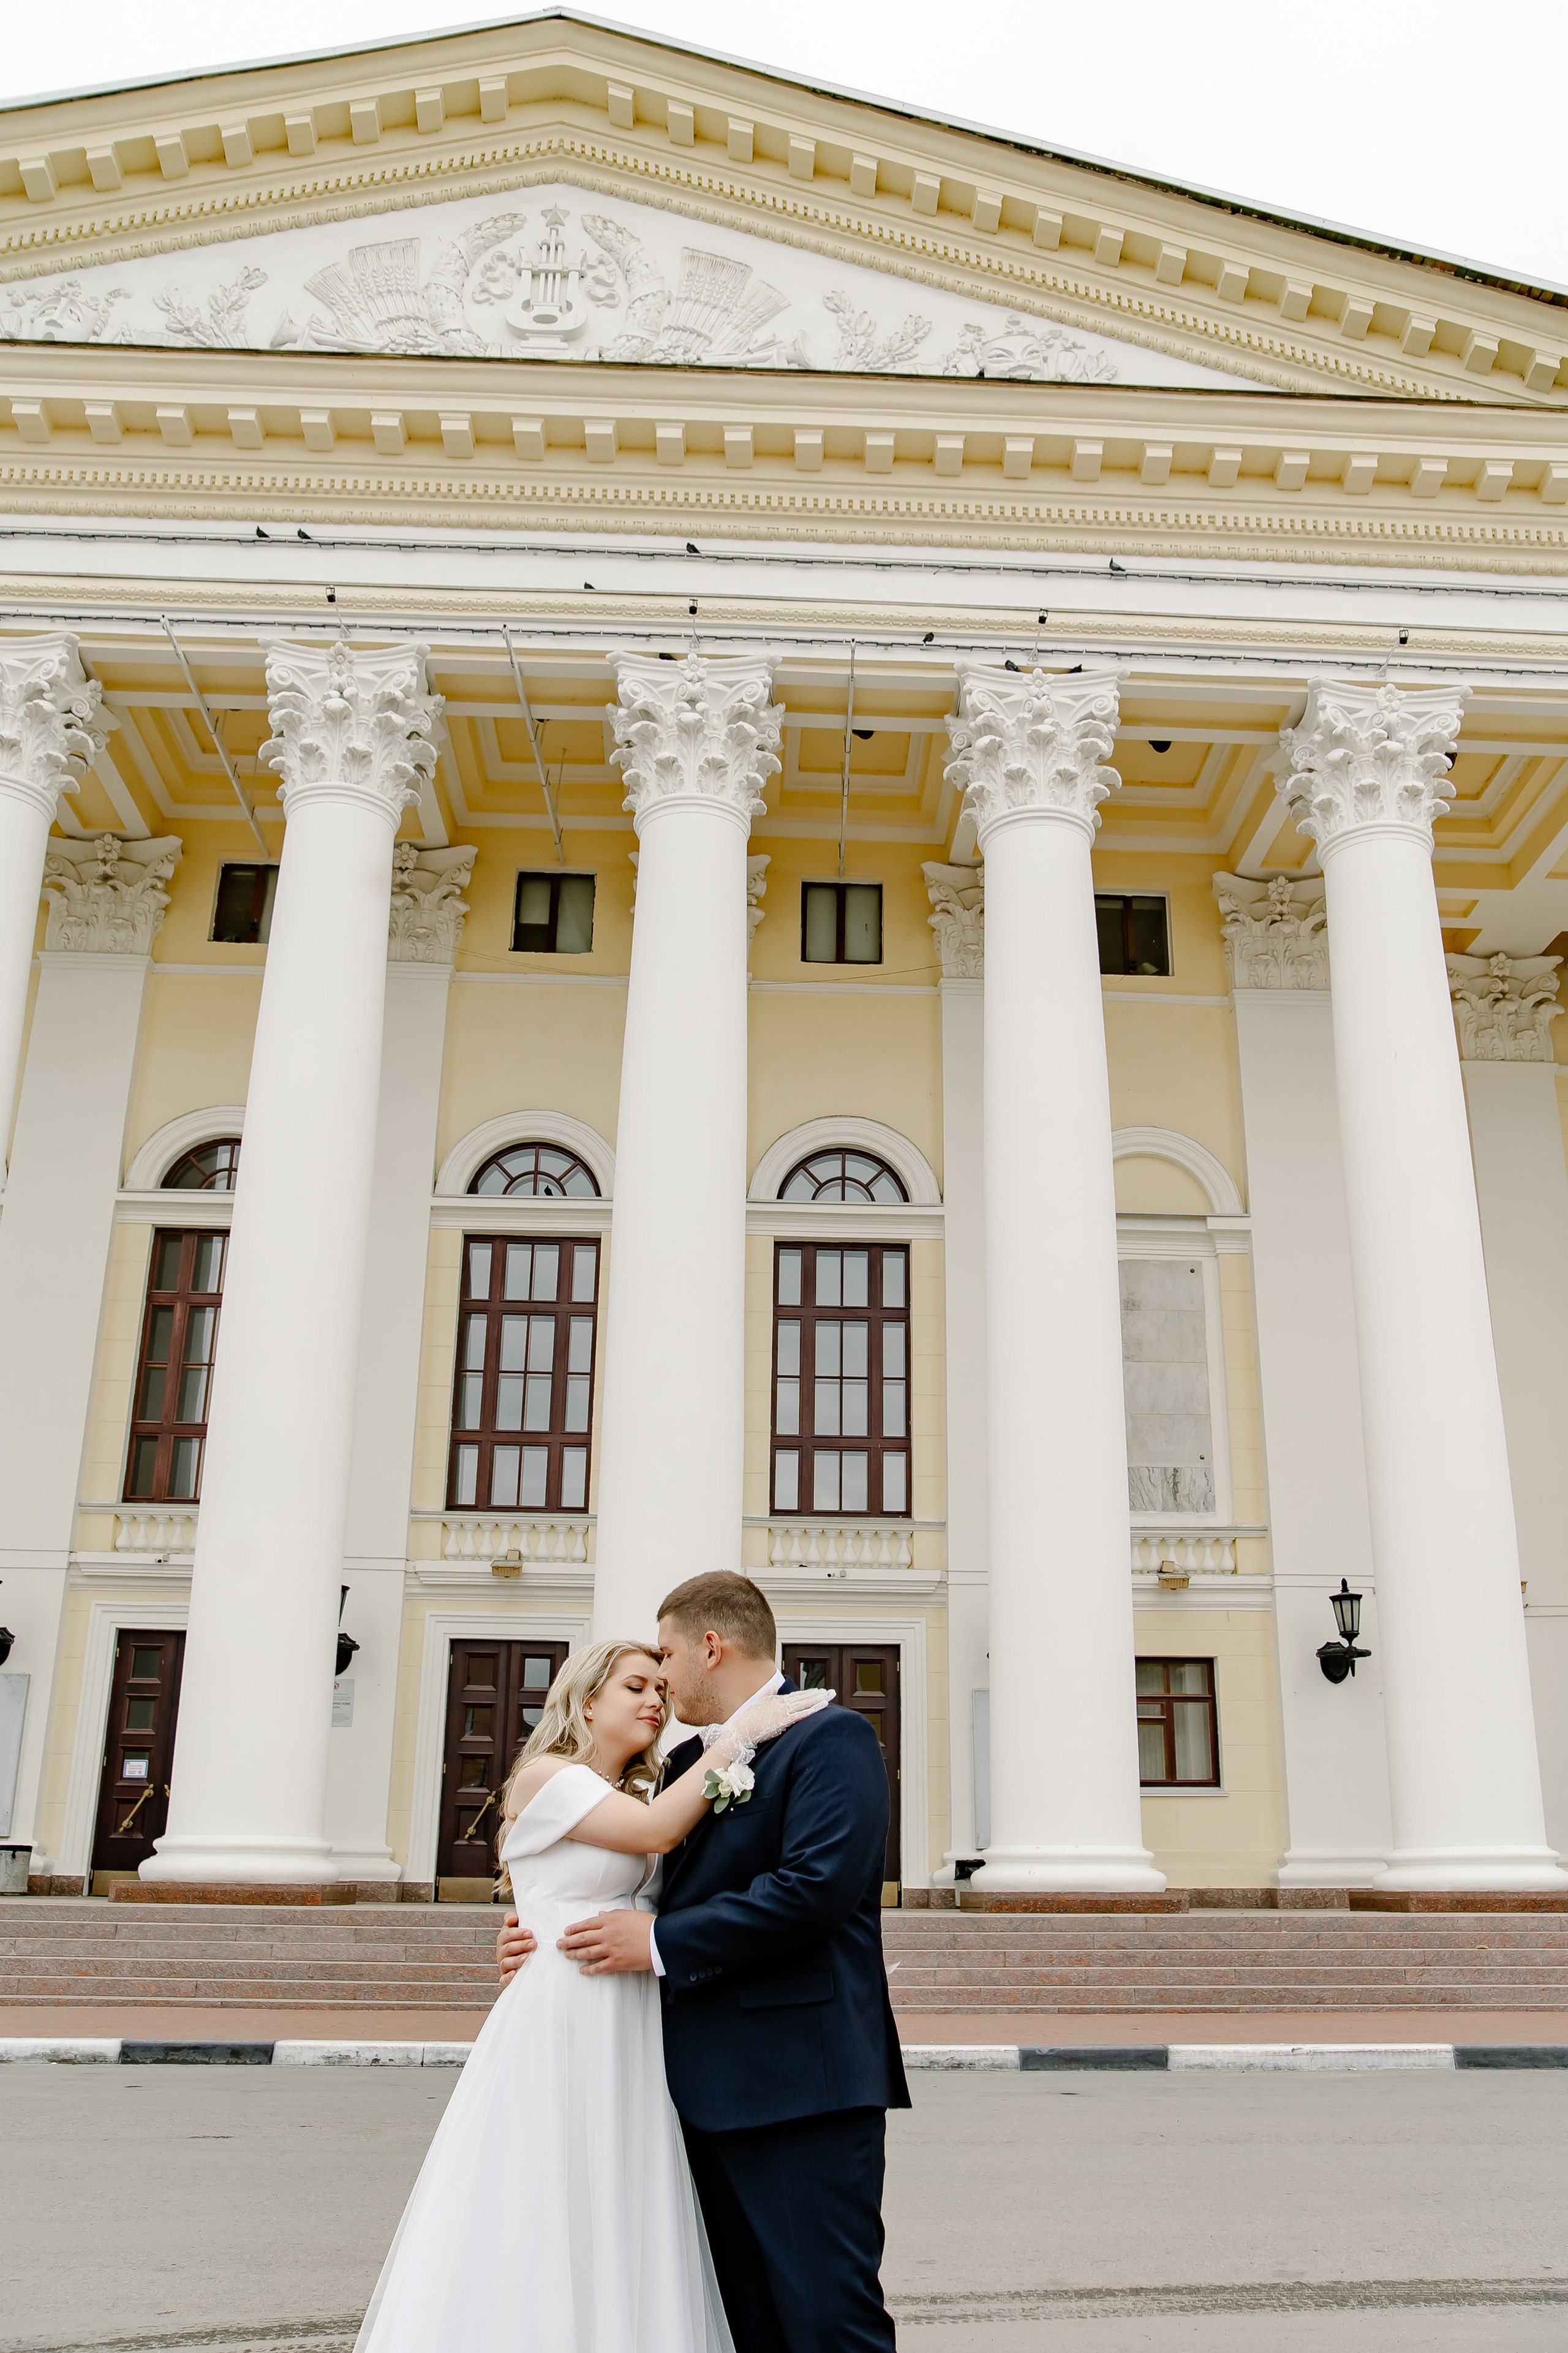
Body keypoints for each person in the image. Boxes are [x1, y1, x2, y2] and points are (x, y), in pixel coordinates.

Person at [354, 1636, 829, 2353]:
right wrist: (736, 1738)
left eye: (659, 1691)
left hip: (631, 2021)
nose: (653, 1700)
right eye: (635, 1686)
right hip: (561, 2018)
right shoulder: (548, 1775)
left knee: (621, 2198)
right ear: (585, 1699)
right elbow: (655, 1833)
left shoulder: (632, 1788)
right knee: (545, 2192)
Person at [499, 1572, 910, 2352]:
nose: (661, 1680)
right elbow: (644, 1878)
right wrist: (544, 1926)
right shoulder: (687, 1763)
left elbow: (815, 1889)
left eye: (667, 1655)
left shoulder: (831, 1737)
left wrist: (653, 1944)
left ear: (709, 1647)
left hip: (800, 2083)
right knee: (740, 2319)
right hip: (686, 2088)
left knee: (827, 2315)